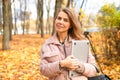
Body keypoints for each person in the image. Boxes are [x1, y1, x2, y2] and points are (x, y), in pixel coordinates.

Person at [40, 8, 97, 80]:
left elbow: (94, 70)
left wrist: (79, 66)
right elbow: (43, 70)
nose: (60, 22)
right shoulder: (48, 44)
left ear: (70, 25)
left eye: (65, 20)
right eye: (59, 18)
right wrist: (61, 64)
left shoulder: (81, 42)